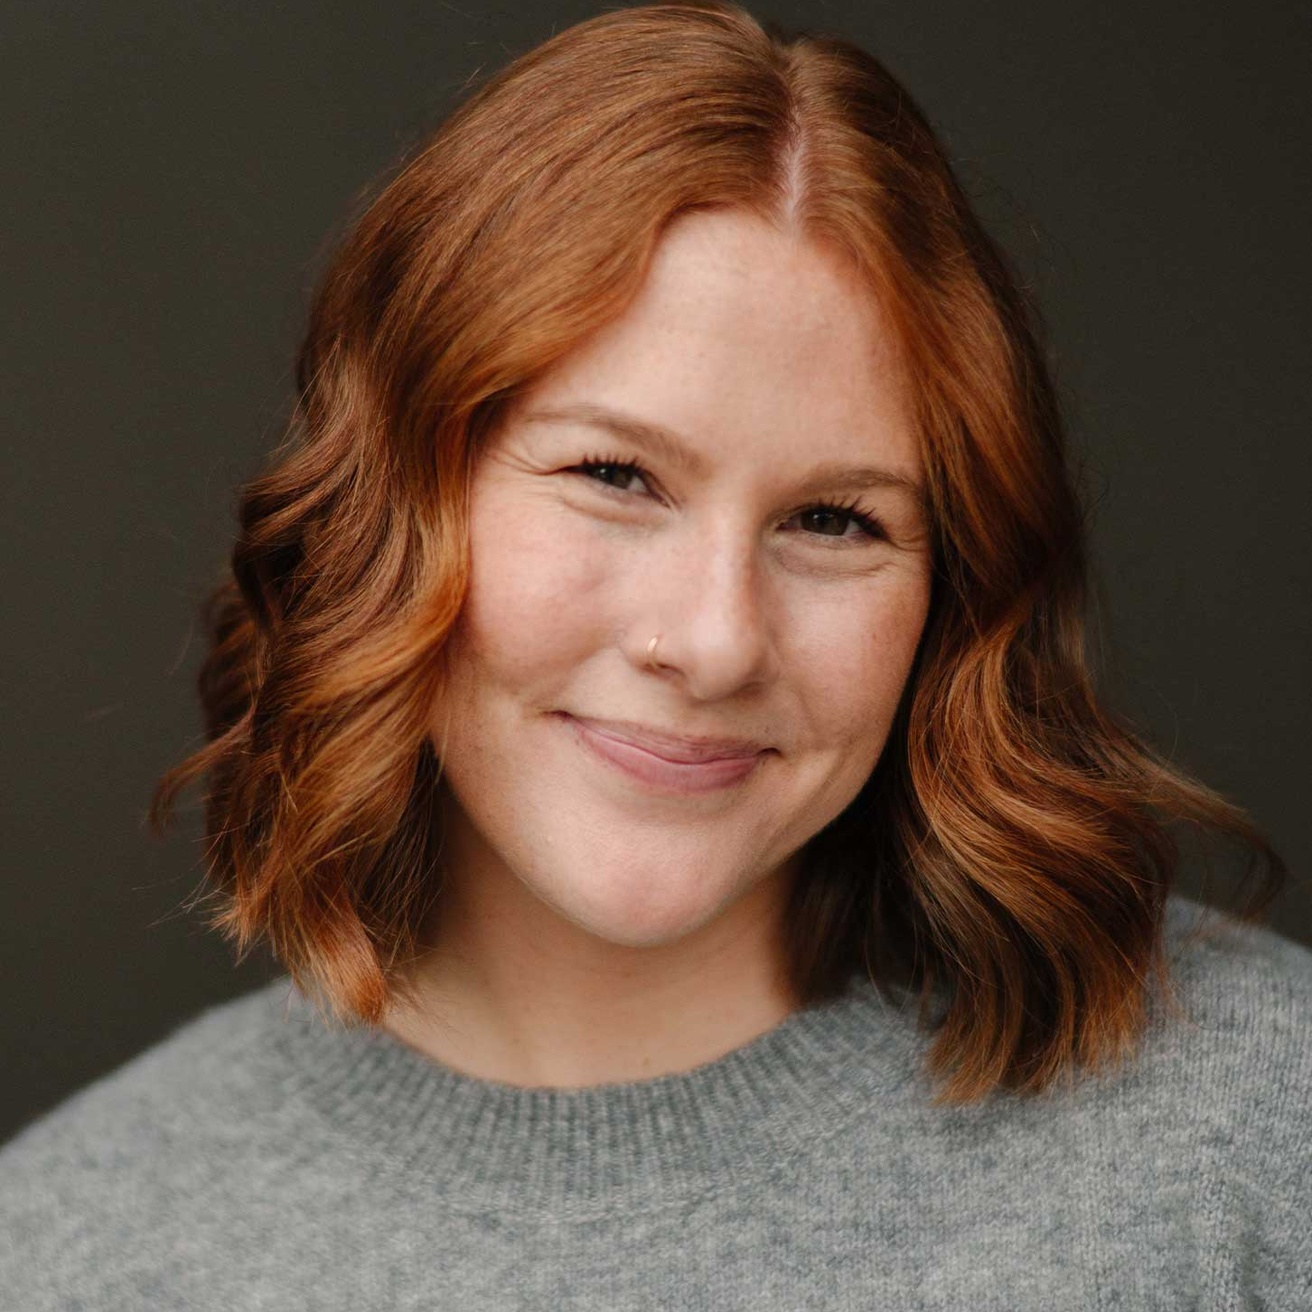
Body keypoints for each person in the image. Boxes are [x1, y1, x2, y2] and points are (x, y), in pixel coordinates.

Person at [2, 1, 1308, 1306]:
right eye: (616, 475)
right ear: (388, 512)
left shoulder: (1259, 1120)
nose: (715, 640)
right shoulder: (71, 1252)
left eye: (835, 520)